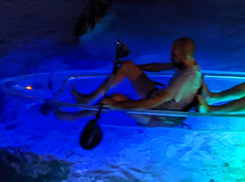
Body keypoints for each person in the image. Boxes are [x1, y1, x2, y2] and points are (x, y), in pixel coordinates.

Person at [54, 37, 202, 121]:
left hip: (159, 114)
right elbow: (158, 67)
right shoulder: (188, 64)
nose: (170, 56)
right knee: (128, 65)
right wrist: (134, 68)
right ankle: (87, 99)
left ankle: (74, 117)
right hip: (158, 99)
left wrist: (117, 106)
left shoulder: (184, 79)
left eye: (173, 53)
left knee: (115, 98)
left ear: (180, 55)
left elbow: (152, 102)